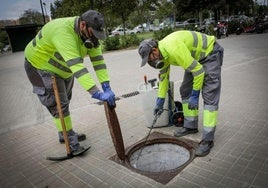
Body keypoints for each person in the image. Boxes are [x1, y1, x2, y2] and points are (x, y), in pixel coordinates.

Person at [24, 10, 116, 153]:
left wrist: (106, 86)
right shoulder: (63, 32)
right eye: (92, 33)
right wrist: (96, 93)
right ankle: (71, 143)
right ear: (83, 25)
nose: (94, 38)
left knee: (65, 101)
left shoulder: (89, 36)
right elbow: (77, 66)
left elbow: (98, 61)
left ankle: (64, 134)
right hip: (40, 67)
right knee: (59, 105)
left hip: (64, 69)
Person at [138, 30, 223, 157]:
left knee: (209, 96)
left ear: (154, 50)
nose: (151, 62)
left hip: (210, 53)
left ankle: (208, 140)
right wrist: (159, 102)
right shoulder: (163, 54)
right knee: (185, 90)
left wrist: (195, 95)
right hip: (194, 59)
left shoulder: (173, 49)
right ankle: (190, 126)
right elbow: (164, 78)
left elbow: (199, 71)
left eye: (149, 59)